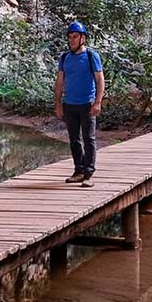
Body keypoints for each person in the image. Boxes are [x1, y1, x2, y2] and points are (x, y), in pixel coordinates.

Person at [54, 21, 104, 187]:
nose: (71, 40)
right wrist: (58, 103)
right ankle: (79, 170)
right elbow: (60, 81)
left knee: (88, 138)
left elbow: (99, 80)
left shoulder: (91, 56)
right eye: (69, 37)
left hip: (87, 104)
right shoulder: (65, 58)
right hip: (69, 104)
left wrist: (97, 102)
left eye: (75, 36)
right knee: (74, 139)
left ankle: (89, 173)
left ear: (83, 38)